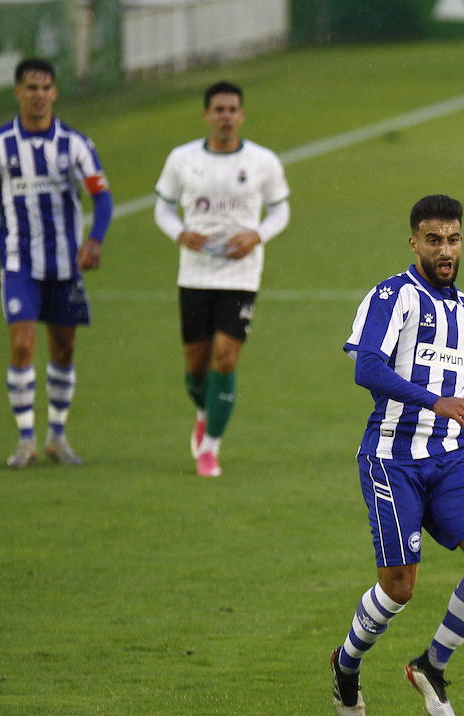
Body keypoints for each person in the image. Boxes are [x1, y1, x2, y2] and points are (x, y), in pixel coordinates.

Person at [329, 193, 464, 716]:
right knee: (399, 588)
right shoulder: (393, 296)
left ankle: (431, 665)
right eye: (434, 239)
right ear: (414, 243)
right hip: (393, 461)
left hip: (449, 457)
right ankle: (346, 663)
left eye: (453, 238)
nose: (445, 249)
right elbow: (367, 368)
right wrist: (436, 405)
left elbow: (449, 385)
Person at [0, 58, 113, 468]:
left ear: (55, 93)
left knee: (64, 346)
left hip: (65, 265)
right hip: (19, 263)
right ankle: (25, 440)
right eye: (31, 88)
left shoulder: (75, 145)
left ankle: (57, 434)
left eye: (46, 88)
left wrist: (95, 239)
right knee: (21, 343)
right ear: (17, 92)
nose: (39, 96)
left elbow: (101, 197)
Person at [153, 80, 290, 478]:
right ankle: (204, 409)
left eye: (232, 110)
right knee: (196, 368)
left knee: (225, 358)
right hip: (194, 273)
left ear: (242, 115)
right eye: (219, 110)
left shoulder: (264, 162)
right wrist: (180, 233)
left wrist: (256, 235)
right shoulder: (182, 159)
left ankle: (210, 447)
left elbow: (281, 212)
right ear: (206, 115)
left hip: (241, 274)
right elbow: (162, 209)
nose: (226, 117)